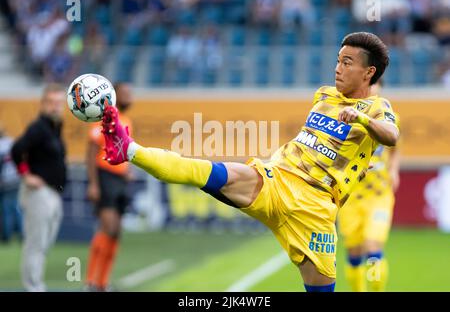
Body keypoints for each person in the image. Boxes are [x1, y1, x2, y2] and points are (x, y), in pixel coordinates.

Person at [100, 32, 400, 292]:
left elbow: (392, 135)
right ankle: (128, 149)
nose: (337, 68)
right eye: (338, 59)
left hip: (315, 208)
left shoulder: (377, 107)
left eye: (347, 62)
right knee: (208, 171)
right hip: (277, 178)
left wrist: (361, 119)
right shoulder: (324, 94)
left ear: (368, 72)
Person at [338, 79, 400, 292]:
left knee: (373, 248)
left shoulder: (388, 117)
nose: (372, 89)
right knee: (354, 254)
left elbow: (395, 146)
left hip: (379, 196)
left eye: (376, 85)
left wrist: (393, 169)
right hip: (351, 196)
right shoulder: (346, 115)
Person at [11, 83, 67, 292]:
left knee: (44, 243)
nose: (55, 107)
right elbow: (17, 149)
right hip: (39, 193)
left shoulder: (54, 127)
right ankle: (33, 287)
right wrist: (26, 174)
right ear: (43, 104)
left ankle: (36, 284)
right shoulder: (39, 128)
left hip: (53, 192)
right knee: (35, 243)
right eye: (51, 102)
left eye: (59, 103)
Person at [85, 83, 134, 291]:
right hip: (104, 178)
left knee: (116, 233)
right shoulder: (104, 119)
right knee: (108, 228)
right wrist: (94, 184)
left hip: (119, 180)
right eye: (125, 93)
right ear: (115, 96)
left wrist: (127, 171)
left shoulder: (126, 120)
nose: (130, 97)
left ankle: (103, 283)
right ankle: (90, 281)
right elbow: (91, 154)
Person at [0, 122, 22, 242]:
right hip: (16, 178)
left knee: (6, 209)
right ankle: (23, 234)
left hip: (6, 180)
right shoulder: (11, 142)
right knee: (17, 208)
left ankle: (6, 236)